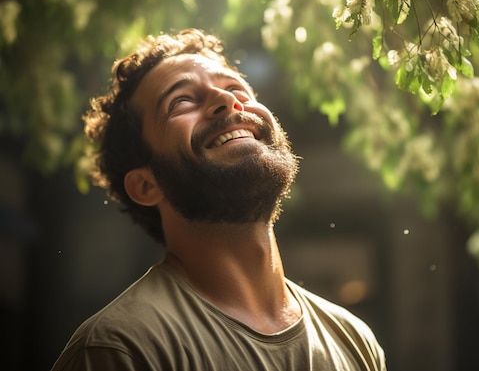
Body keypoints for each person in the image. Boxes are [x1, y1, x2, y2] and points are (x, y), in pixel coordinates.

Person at [51, 28, 387, 371]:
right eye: (181, 101)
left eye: (235, 88)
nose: (227, 101)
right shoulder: (120, 349)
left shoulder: (355, 342)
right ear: (146, 184)